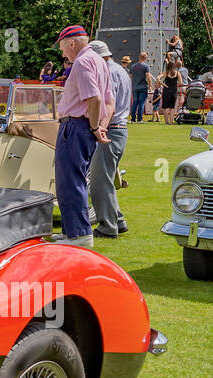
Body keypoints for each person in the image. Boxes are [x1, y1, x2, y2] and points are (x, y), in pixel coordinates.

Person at [52, 25, 110, 247]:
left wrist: (95, 127)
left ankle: (79, 235)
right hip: (82, 126)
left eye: (62, 48)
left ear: (72, 43)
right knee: (73, 180)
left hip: (76, 126)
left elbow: (94, 98)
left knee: (70, 181)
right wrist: (98, 126)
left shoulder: (83, 62)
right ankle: (72, 231)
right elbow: (105, 100)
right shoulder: (99, 62)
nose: (62, 53)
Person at [88, 40, 130, 239]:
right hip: (119, 130)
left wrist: (99, 128)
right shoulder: (120, 70)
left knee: (99, 182)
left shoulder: (108, 72)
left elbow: (108, 105)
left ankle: (107, 226)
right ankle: (118, 220)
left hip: (110, 130)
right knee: (106, 179)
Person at [129, 51, 153, 122]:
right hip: (142, 87)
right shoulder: (146, 66)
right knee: (141, 103)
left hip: (135, 87)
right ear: (145, 58)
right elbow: (148, 77)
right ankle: (140, 119)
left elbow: (130, 77)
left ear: (139, 57)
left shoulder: (133, 66)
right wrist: (150, 85)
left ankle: (133, 119)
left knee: (135, 103)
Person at [160, 58, 180, 123]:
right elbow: (180, 82)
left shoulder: (166, 73)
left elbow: (158, 78)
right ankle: (171, 122)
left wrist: (163, 84)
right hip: (174, 91)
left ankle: (166, 122)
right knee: (172, 107)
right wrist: (175, 84)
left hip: (166, 91)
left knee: (166, 107)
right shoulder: (177, 73)